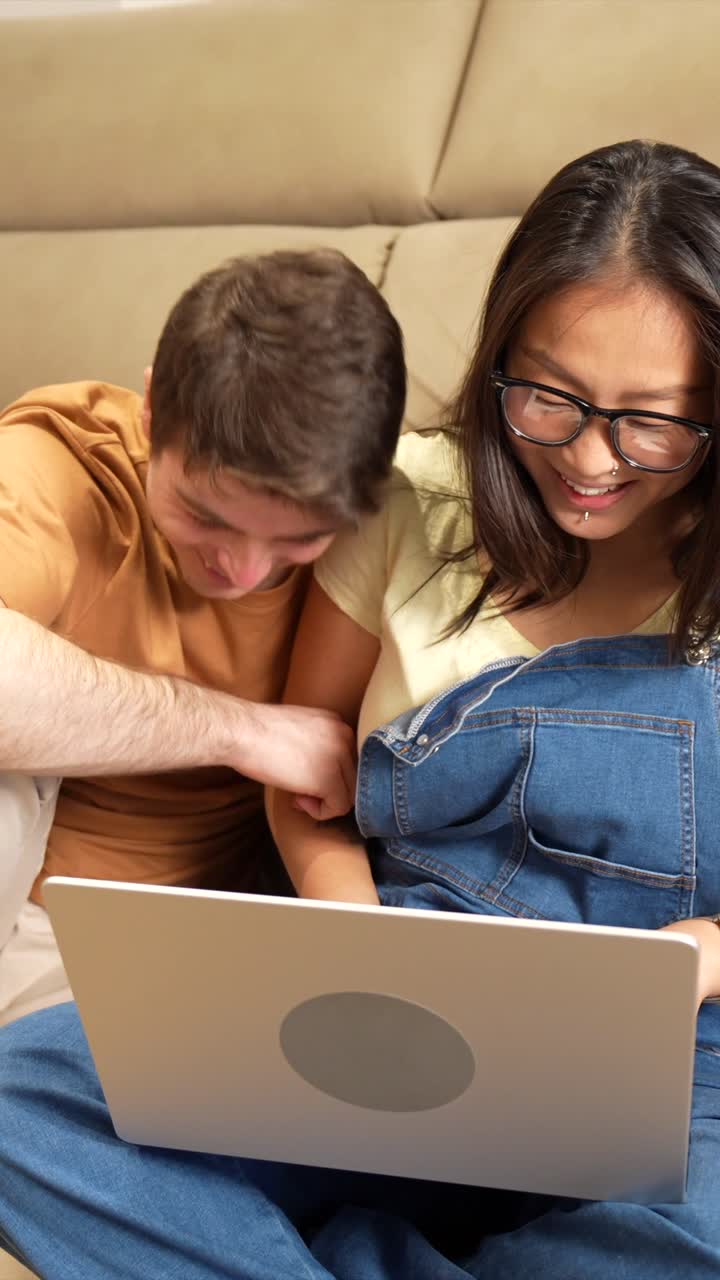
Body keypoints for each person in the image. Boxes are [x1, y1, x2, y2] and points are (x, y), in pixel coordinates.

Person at [2, 138, 720, 1278]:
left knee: (678, 1242)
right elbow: (314, 789)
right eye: (549, 396)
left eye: (653, 420)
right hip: (396, 994)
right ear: (498, 362)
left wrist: (698, 959)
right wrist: (374, 942)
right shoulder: (412, 501)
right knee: (20, 1103)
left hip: (678, 1041)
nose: (589, 458)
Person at [0, 246, 406, 1027]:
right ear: (154, 413)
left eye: (297, 540)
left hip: (163, 955)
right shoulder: (65, 467)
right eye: (205, 515)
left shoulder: (388, 530)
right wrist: (240, 730)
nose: (243, 570)